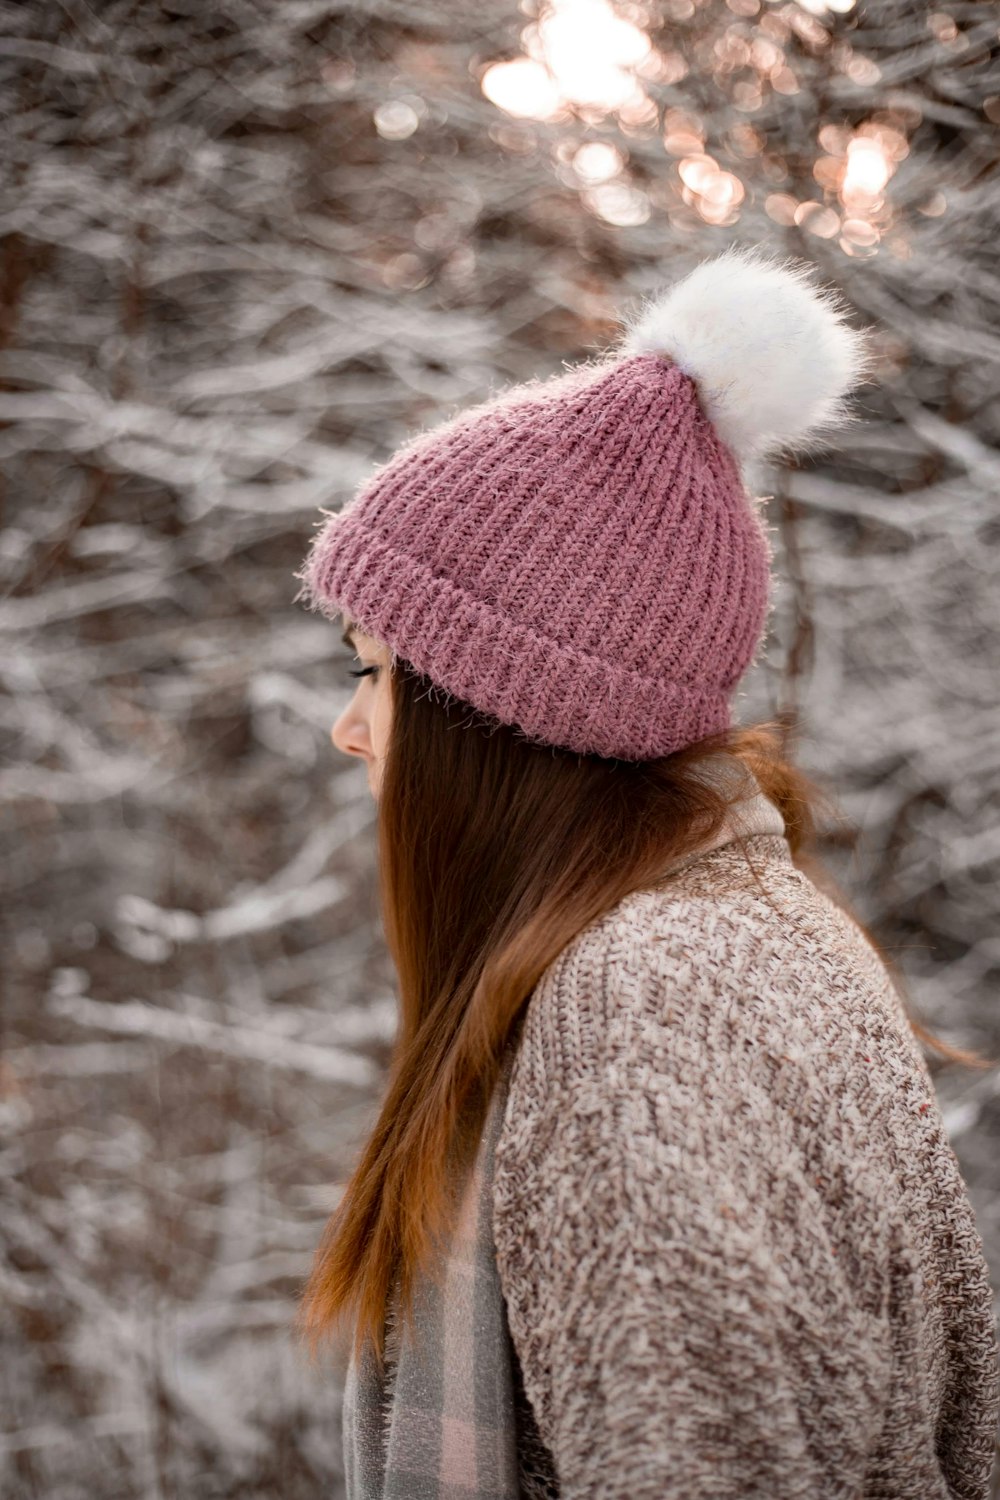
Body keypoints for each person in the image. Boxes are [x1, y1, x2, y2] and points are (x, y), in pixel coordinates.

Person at [292, 244, 1000, 1499]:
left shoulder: (638, 1024)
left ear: (497, 707)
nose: (348, 726)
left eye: (373, 672)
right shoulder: (736, 930)